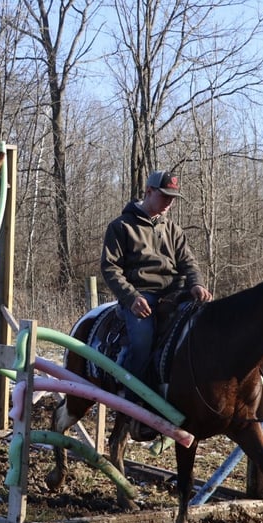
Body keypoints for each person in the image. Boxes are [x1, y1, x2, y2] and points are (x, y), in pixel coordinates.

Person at [101, 170, 212, 440]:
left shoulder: (173, 230)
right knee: (142, 341)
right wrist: (131, 298)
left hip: (175, 293)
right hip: (141, 295)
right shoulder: (122, 226)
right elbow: (110, 268)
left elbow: (189, 263)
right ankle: (132, 407)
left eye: (173, 198)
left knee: (205, 328)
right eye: (165, 196)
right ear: (149, 192)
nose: (169, 203)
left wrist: (196, 284)